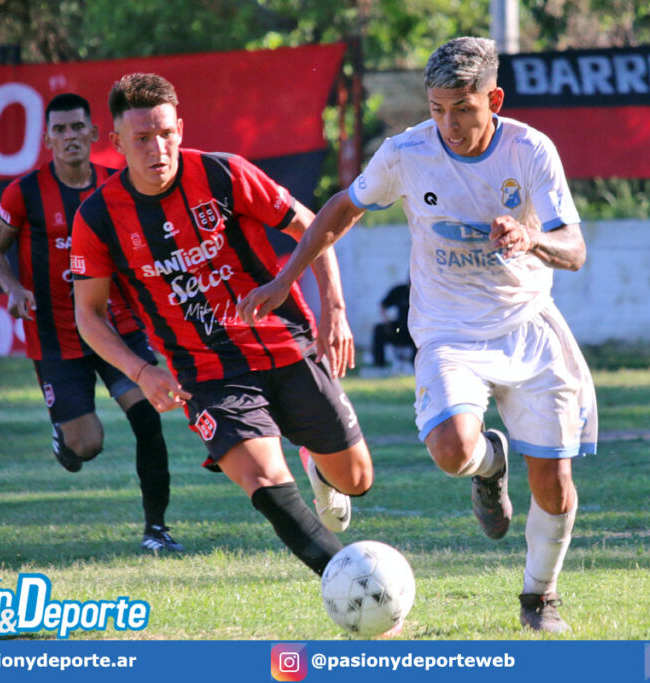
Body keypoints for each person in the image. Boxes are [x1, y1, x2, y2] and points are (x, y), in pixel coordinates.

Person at [239, 37, 598, 633]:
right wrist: (285, 279)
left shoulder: (530, 150)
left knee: (554, 484)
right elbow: (343, 207)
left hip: (528, 328)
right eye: (437, 109)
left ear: (494, 100)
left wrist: (531, 237)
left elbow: (576, 249)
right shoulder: (407, 153)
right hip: (448, 332)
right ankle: (489, 465)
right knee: (452, 450)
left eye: (463, 109)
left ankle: (539, 598)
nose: (449, 124)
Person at [70, 73, 374, 579]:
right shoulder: (98, 217)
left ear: (181, 130)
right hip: (208, 373)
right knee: (264, 479)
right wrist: (141, 371)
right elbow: (89, 315)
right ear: (117, 142)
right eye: (142, 138)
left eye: (166, 133)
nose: (157, 148)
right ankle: (350, 582)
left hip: (285, 344)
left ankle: (322, 469)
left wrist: (334, 311)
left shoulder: (224, 174)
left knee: (357, 479)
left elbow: (310, 227)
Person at [0, 93, 183, 553]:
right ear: (47, 138)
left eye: (77, 127)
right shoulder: (25, 192)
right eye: (60, 129)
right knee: (87, 445)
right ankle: (66, 438)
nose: (70, 136)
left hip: (116, 330)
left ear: (94, 134)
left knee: (147, 417)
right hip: (55, 337)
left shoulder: (119, 185)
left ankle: (157, 530)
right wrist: (13, 287)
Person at [371, 281, 414, 369]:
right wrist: (387, 321)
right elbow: (383, 305)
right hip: (400, 328)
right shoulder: (400, 290)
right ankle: (379, 364)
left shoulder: (423, 293)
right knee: (379, 329)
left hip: (416, 329)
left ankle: (414, 364)